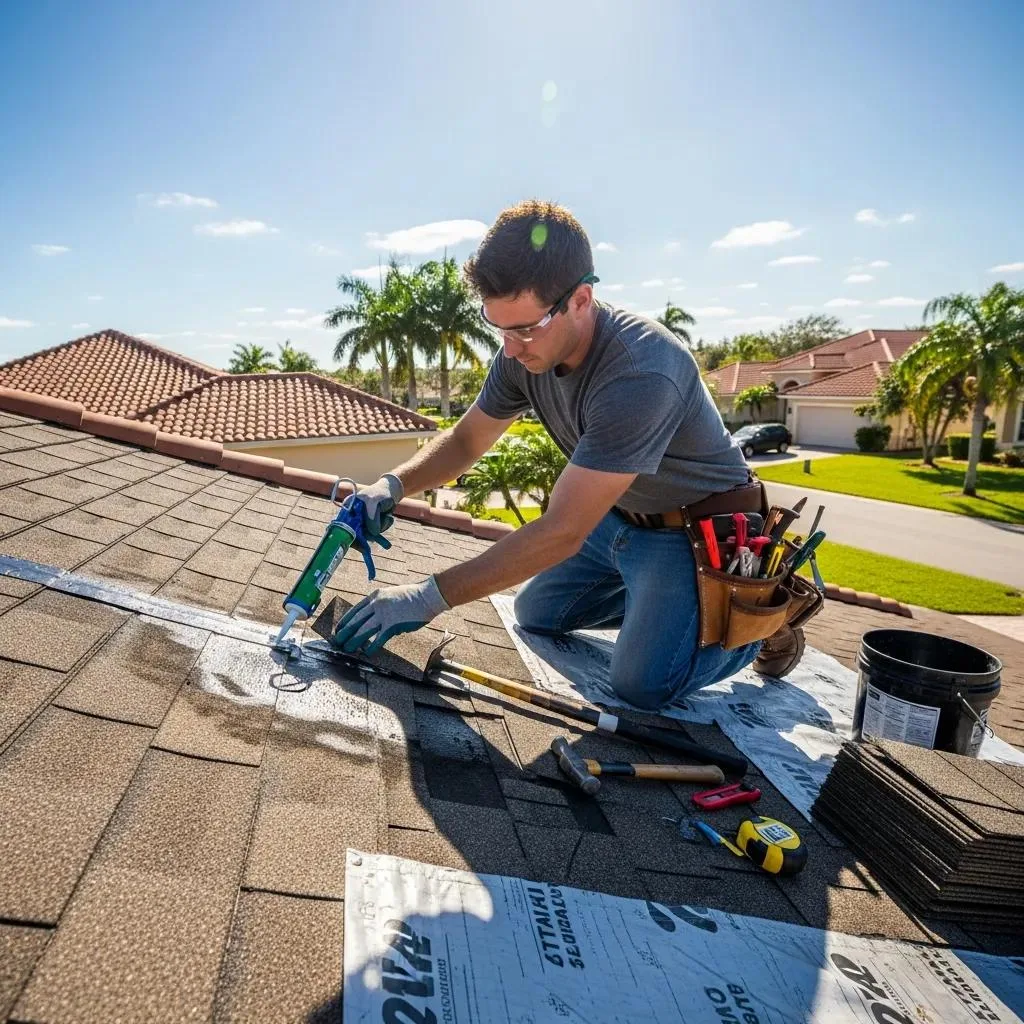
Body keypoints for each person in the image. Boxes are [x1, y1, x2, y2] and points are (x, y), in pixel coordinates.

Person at [332, 200, 804, 709]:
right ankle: (669, 611)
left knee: (641, 685)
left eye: (525, 329)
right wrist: (392, 486)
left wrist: (427, 596)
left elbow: (561, 530)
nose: (509, 349)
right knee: (536, 613)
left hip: (691, 534)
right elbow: (468, 440)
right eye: (499, 329)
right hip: (616, 519)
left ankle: (765, 619)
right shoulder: (523, 351)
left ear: (581, 299)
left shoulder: (641, 371)